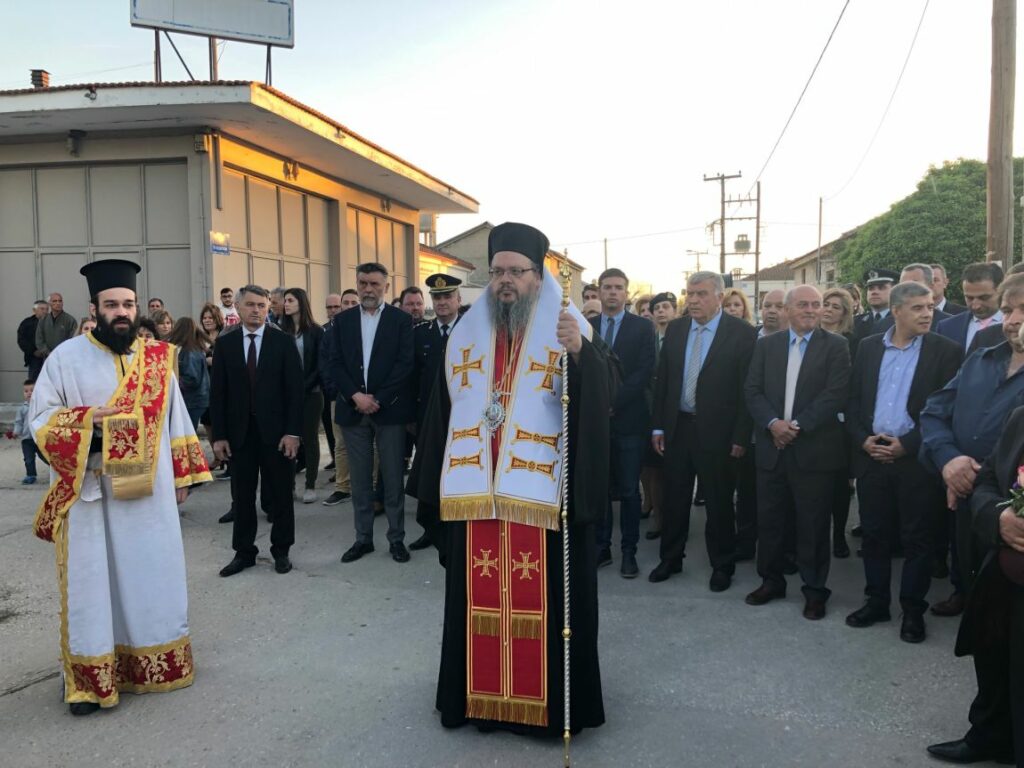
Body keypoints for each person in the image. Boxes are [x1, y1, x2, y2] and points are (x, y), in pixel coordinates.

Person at [408, 221, 612, 735]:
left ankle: (546, 710)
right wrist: (432, 482)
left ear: (538, 276)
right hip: (476, 494)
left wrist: (581, 357)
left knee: (545, 607)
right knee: (474, 604)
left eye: (516, 271)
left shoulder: (567, 327)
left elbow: (605, 398)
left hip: (541, 497)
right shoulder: (466, 334)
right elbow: (442, 412)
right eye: (498, 271)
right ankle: (479, 701)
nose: (505, 280)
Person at [28, 258, 211, 715]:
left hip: (149, 495)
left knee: (151, 575)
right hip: (91, 494)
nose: (122, 312)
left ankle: (154, 665)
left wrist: (183, 476)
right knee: (93, 585)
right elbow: (40, 420)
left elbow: (177, 420)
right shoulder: (65, 358)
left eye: (128, 304)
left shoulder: (157, 358)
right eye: (112, 305)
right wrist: (89, 422)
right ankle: (91, 681)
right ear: (95, 308)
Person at [845, 282, 962, 643]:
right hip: (872, 455)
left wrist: (908, 445)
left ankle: (913, 610)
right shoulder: (868, 347)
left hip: (915, 460)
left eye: (930, 307)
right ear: (896, 311)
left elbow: (948, 410)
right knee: (875, 535)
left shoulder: (946, 351)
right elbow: (853, 401)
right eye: (917, 308)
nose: (927, 314)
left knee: (917, 539)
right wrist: (863, 439)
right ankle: (877, 601)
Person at [744, 285, 850, 620]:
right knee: (770, 521)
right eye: (803, 304)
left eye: (816, 304)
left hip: (814, 451)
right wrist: (773, 424)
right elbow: (752, 390)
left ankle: (814, 590)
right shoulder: (767, 345)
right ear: (788, 309)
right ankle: (771, 581)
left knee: (813, 524)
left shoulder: (836, 346)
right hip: (772, 448)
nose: (811, 310)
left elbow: (835, 394)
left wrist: (796, 427)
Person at [920, 273, 1024, 619]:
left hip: (1011, 511)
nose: (1013, 320)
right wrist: (950, 462)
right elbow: (934, 412)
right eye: (1007, 310)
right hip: (967, 498)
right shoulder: (980, 360)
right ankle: (963, 593)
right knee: (968, 571)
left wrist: (974, 473)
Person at [925, 405, 1024, 766]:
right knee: (994, 663)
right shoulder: (1020, 417)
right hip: (1005, 579)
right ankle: (989, 737)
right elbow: (987, 482)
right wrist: (999, 517)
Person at [649, 272, 756, 591]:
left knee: (719, 502)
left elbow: (747, 390)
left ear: (719, 297)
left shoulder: (741, 333)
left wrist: (740, 436)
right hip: (678, 427)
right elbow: (664, 381)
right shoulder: (677, 329)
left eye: (701, 294)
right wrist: (658, 425)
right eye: (690, 293)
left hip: (719, 433)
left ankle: (722, 565)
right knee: (675, 498)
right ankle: (671, 558)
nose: (693, 300)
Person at [324, 262, 415, 565]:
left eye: (375, 284)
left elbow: (405, 364)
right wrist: (356, 396)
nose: (368, 289)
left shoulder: (401, 320)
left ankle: (396, 539)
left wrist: (378, 399)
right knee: (360, 481)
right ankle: (363, 539)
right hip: (353, 410)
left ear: (386, 287)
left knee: (392, 477)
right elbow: (335, 362)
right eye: (363, 283)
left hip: (389, 411)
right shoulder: (343, 320)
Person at [210, 284, 303, 577]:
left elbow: (295, 392)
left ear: (268, 308)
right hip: (240, 435)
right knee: (242, 496)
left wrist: (293, 432)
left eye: (262, 306)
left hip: (277, 434)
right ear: (238, 308)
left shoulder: (283, 342)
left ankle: (282, 550)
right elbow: (218, 394)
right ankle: (244, 552)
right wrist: (219, 436)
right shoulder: (225, 344)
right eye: (250, 305)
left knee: (281, 495)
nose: (256, 310)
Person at [591, 267, 655, 577]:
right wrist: (597, 404)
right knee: (601, 489)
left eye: (618, 287)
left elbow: (644, 371)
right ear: (599, 291)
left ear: (626, 293)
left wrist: (613, 401)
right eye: (607, 287)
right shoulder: (587, 327)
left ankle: (629, 551)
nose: (613, 292)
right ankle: (602, 547)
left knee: (629, 490)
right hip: (596, 423)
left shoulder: (642, 328)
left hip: (629, 420)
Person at [409, 273, 463, 550]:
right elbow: (411, 378)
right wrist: (411, 418)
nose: (442, 302)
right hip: (429, 420)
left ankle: (458, 529)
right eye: (437, 297)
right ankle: (431, 529)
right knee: (431, 472)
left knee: (460, 472)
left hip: (462, 418)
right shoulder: (420, 334)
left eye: (447, 296)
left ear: (458, 299)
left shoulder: (472, 332)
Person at [280, 287, 325, 504]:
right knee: (288, 438)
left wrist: (304, 386)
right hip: (286, 395)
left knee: (310, 439)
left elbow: (320, 364)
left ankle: (310, 485)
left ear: (301, 302)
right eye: (285, 300)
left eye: (290, 300)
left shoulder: (316, 331)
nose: (286, 304)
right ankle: (288, 486)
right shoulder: (281, 331)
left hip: (311, 393)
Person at [821, 287, 857, 558]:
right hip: (812, 421)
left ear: (845, 313)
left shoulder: (853, 342)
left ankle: (838, 537)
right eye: (826, 304)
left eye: (836, 306)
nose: (829, 310)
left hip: (841, 424)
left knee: (840, 485)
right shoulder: (808, 337)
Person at [320, 289, 360, 506]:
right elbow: (326, 366)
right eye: (346, 302)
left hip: (366, 397)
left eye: (354, 302)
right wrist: (337, 391)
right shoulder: (330, 332)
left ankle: (371, 487)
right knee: (341, 444)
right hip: (339, 396)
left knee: (371, 445)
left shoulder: (367, 328)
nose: (349, 306)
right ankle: (342, 487)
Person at [642, 292, 676, 540]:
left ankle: (675, 520)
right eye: (657, 308)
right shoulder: (648, 340)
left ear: (675, 311)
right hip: (651, 412)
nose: (661, 311)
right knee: (654, 469)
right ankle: (658, 520)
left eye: (666, 307)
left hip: (677, 414)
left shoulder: (683, 337)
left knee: (675, 473)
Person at [937, 261, 1005, 350]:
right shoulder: (946, 328)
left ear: (1001, 290)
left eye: (984, 298)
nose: (976, 306)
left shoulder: (1016, 326)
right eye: (969, 298)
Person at [166, 317, 211, 430]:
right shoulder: (192, 349)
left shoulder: (190, 352)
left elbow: (192, 379)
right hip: (197, 399)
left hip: (193, 400)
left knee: (187, 431)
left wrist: (172, 380)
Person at [850, 268, 899, 358]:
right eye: (871, 288)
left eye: (881, 288)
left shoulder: (900, 321)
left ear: (895, 291)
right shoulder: (855, 322)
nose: (874, 292)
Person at [11, 379, 44, 484]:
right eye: (26, 391)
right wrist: (16, 432)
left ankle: (57, 470)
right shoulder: (22, 409)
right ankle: (31, 475)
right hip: (27, 439)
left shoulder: (41, 407)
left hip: (39, 437)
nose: (29, 393)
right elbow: (19, 422)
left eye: (32, 390)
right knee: (28, 459)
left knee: (45, 456)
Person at [34, 291, 78, 364]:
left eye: (60, 301)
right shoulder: (43, 320)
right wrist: (48, 353)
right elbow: (39, 340)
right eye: (54, 301)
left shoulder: (70, 320)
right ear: (49, 303)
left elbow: (73, 340)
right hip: (48, 358)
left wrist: (61, 353)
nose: (58, 303)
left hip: (65, 358)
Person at [17, 299, 48, 380]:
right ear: (34, 310)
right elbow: (22, 340)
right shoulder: (27, 323)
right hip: (34, 358)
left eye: (47, 309)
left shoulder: (52, 322)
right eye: (42, 309)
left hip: (49, 356)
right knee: (34, 381)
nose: (45, 311)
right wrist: (33, 351)